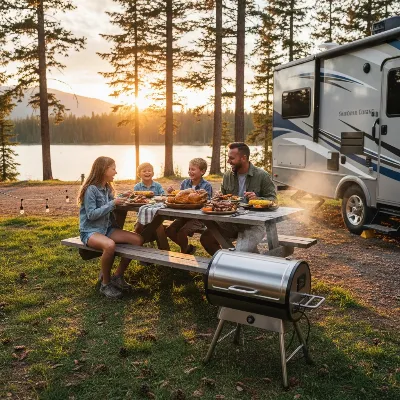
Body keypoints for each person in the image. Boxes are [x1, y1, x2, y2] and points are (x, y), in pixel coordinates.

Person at [78, 156, 143, 299]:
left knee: (137, 239)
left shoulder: (107, 188)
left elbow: (110, 202)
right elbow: (91, 215)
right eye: (113, 168)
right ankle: (105, 284)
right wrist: (113, 203)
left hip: (106, 229)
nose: (116, 172)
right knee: (109, 245)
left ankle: (118, 276)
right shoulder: (91, 190)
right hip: (90, 231)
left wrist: (123, 196)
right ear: (103, 169)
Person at [200, 142, 276, 255]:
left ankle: (238, 266)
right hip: (230, 222)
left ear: (243, 158)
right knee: (206, 239)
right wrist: (218, 198)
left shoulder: (262, 175)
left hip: (254, 225)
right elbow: (223, 197)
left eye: (231, 158)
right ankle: (225, 267)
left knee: (240, 252)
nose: (228, 161)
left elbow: (273, 200)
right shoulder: (227, 176)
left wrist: (257, 198)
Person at [166, 158, 213, 254]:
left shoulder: (207, 186)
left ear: (202, 171)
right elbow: (180, 199)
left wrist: (205, 195)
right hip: (184, 215)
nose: (190, 172)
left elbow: (209, 204)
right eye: (189, 169)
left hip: (199, 218)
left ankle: (183, 254)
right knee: (169, 230)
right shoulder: (185, 183)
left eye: (193, 169)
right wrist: (172, 192)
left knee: (182, 232)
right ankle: (187, 248)